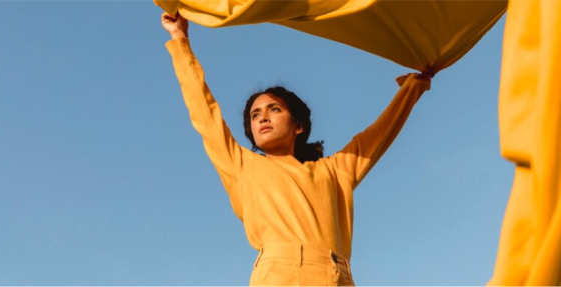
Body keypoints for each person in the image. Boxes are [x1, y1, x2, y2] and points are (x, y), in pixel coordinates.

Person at [161, 12, 428, 287]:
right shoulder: (241, 164)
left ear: (297, 125)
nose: (262, 117)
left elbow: (378, 135)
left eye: (274, 109)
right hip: (281, 275)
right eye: (255, 115)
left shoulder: (334, 171)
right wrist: (180, 39)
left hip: (339, 276)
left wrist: (414, 87)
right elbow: (204, 112)